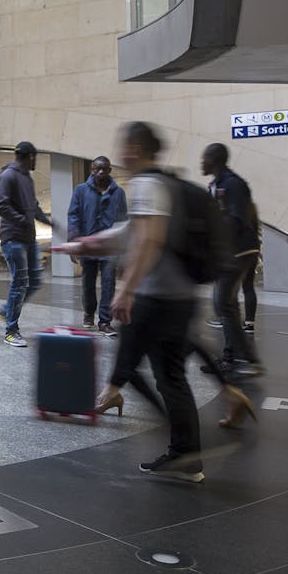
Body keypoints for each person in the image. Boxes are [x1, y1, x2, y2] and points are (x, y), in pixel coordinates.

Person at [84, 122, 205, 482]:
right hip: (178, 294)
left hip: (158, 295)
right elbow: (133, 232)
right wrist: (89, 244)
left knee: (135, 363)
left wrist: (126, 289)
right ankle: (187, 454)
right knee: (169, 376)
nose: (120, 154)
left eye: (124, 147)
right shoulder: (166, 182)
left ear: (135, 149)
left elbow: (148, 239)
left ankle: (113, 395)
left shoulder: (146, 184)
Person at [200, 143, 263, 375]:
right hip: (228, 252)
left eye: (205, 157)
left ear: (215, 159)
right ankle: (234, 357)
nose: (201, 162)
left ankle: (243, 358)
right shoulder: (216, 184)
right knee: (227, 305)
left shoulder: (233, 184)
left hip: (238, 251)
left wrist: (214, 235)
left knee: (223, 303)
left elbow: (236, 219)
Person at [0, 141, 52, 347]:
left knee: (34, 280)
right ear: (29, 157)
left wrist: (49, 222)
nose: (36, 161)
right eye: (35, 157)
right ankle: (11, 331)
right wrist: (21, 219)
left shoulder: (27, 178)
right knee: (20, 282)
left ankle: (6, 310)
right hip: (13, 238)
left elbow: (33, 206)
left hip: (28, 238)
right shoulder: (9, 175)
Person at [66, 156, 127, 335]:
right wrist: (73, 241)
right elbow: (73, 216)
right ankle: (88, 313)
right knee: (88, 284)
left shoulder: (119, 193)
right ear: (92, 170)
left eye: (104, 169)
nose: (100, 172)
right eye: (97, 169)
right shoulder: (81, 190)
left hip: (110, 247)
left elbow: (123, 221)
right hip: (88, 245)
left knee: (109, 283)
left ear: (109, 170)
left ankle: (105, 321)